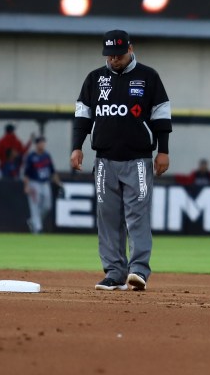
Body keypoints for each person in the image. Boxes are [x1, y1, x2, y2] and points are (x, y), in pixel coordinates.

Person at [70, 29, 172, 292]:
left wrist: (163, 150)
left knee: (137, 216)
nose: (114, 59)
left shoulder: (148, 77)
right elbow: (83, 116)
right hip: (104, 159)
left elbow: (161, 116)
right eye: (110, 55)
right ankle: (114, 272)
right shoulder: (95, 79)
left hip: (138, 159)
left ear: (130, 49)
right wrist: (76, 147)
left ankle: (138, 270)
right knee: (108, 217)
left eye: (118, 54)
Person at [22, 136, 62, 234]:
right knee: (35, 206)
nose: (43, 144)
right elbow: (26, 173)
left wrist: (59, 183)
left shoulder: (46, 155)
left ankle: (33, 222)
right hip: (34, 183)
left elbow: (52, 171)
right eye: (40, 143)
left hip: (45, 183)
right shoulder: (31, 156)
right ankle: (38, 229)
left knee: (47, 206)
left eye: (44, 143)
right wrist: (26, 186)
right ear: (37, 144)